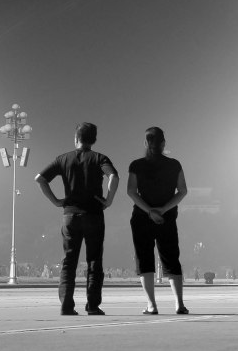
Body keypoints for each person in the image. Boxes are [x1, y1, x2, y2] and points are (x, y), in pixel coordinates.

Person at [35, 122, 119, 315]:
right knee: (94, 261)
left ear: (76, 138)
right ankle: (92, 305)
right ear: (94, 139)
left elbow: (39, 178)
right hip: (94, 215)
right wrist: (108, 200)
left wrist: (56, 201)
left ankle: (66, 305)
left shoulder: (63, 159)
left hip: (70, 215)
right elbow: (114, 177)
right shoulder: (99, 158)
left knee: (69, 261)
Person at [126, 127, 189, 314]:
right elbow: (183, 191)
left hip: (141, 218)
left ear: (145, 143)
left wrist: (149, 211)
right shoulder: (174, 164)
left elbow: (131, 191)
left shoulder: (136, 165)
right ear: (163, 144)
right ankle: (179, 304)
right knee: (171, 259)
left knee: (144, 260)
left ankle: (152, 305)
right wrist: (163, 209)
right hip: (167, 218)